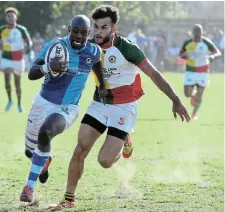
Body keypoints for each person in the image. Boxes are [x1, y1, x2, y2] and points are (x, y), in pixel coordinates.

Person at [49, 5, 191, 210]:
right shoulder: (89, 46)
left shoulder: (128, 48)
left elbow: (154, 74)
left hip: (124, 109)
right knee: (80, 149)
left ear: (113, 29)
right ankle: (69, 199)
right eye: (96, 26)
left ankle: (125, 137)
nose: (98, 31)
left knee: (105, 161)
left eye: (104, 27)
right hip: (99, 104)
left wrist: (175, 99)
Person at [19, 15, 106, 203]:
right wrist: (49, 67)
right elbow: (32, 73)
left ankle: (29, 187)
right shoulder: (55, 46)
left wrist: (102, 88)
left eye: (84, 33)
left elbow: (98, 71)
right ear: (69, 29)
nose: (79, 36)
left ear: (88, 34)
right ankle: (44, 161)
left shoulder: (93, 51)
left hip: (68, 107)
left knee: (46, 133)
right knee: (30, 152)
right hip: (43, 102)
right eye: (75, 31)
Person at [179, 24, 221, 120]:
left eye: (200, 34)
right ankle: (193, 95)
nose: (198, 36)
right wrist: (185, 56)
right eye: (196, 33)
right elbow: (180, 53)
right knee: (187, 94)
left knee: (200, 93)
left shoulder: (206, 42)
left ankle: (194, 114)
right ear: (193, 33)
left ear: (202, 33)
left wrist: (212, 56)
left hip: (203, 71)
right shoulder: (187, 43)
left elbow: (218, 52)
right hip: (190, 70)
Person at [0, 7, 32, 112]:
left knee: (17, 84)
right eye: (8, 16)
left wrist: (26, 49)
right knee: (7, 77)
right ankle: (10, 100)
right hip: (6, 58)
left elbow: (29, 42)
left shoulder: (21, 29)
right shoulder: (2, 29)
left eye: (12, 16)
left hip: (18, 59)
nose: (10, 18)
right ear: (6, 18)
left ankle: (19, 103)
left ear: (16, 17)